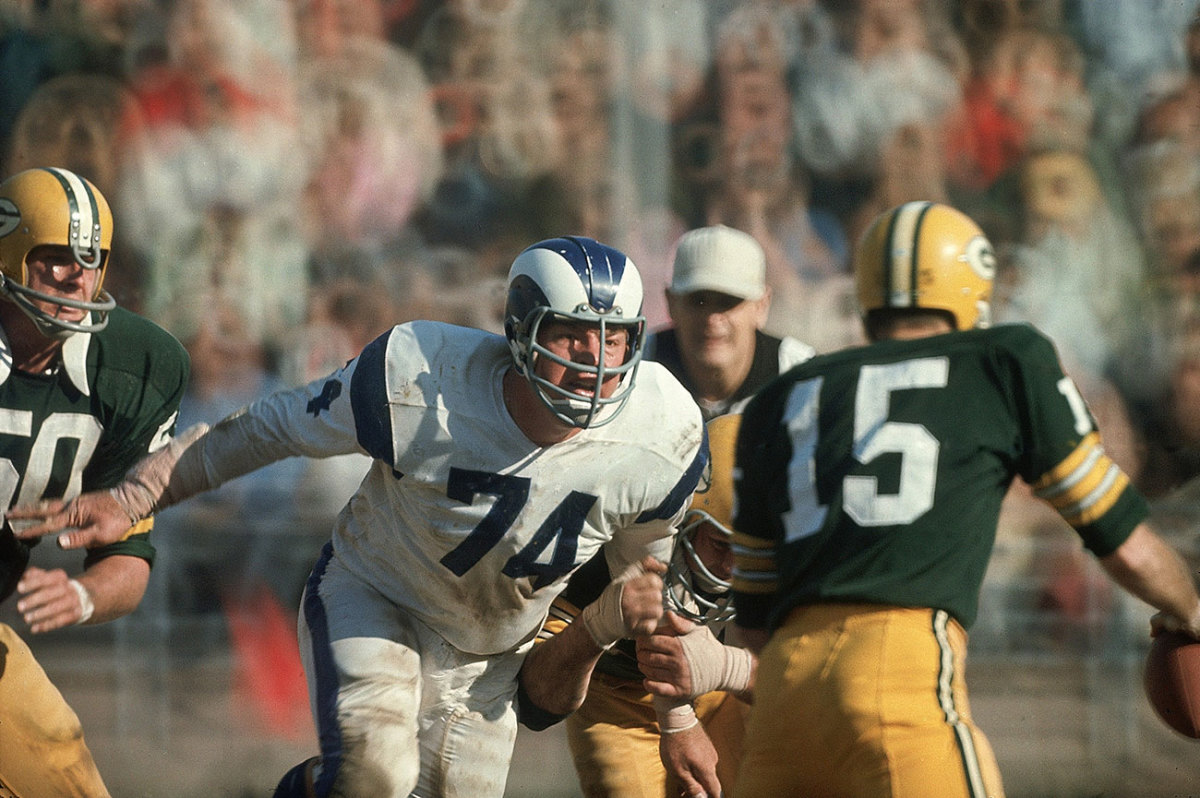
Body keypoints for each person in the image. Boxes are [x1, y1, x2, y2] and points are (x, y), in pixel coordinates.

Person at [11, 235, 708, 798]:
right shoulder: (424, 378)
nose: (595, 361)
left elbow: (645, 590)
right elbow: (272, 427)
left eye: (614, 339)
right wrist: (138, 495)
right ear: (522, 332)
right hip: (381, 595)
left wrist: (677, 719)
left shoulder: (662, 431)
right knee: (375, 776)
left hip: (497, 648)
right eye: (573, 336)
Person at [727, 200, 1200, 798]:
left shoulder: (783, 395)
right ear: (971, 287)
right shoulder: (1003, 360)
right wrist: (1189, 607)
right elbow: (1122, 545)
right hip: (896, 671)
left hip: (781, 703)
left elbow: (751, 624)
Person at [0, 166, 190, 797]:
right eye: (53, 257)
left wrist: (81, 596)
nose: (75, 277)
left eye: (91, 259)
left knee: (60, 768)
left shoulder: (133, 368)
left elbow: (128, 563)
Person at [518, 413, 754, 798]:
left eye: (751, 550)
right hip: (618, 701)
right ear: (682, 516)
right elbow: (537, 703)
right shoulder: (603, 543)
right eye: (720, 544)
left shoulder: (792, 554)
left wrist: (734, 668)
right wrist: (596, 626)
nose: (732, 568)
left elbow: (816, 689)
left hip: (726, 698)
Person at [647, 224, 814, 421]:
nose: (711, 318)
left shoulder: (804, 380)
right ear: (671, 303)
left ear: (761, 306)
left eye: (728, 302)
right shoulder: (634, 367)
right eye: (698, 300)